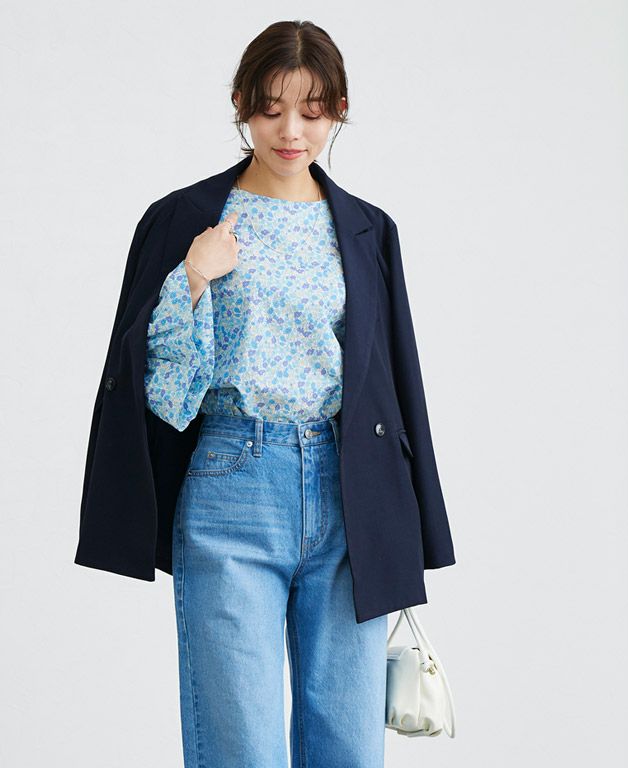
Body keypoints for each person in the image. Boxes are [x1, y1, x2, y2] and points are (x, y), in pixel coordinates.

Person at [143, 20, 392, 768]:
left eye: (312, 111)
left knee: (349, 746)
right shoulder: (188, 220)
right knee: (241, 746)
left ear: (339, 109)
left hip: (347, 489)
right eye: (270, 109)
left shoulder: (367, 230)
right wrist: (193, 277)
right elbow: (165, 395)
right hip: (233, 483)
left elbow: (392, 383)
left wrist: (405, 524)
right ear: (241, 105)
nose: (290, 131)